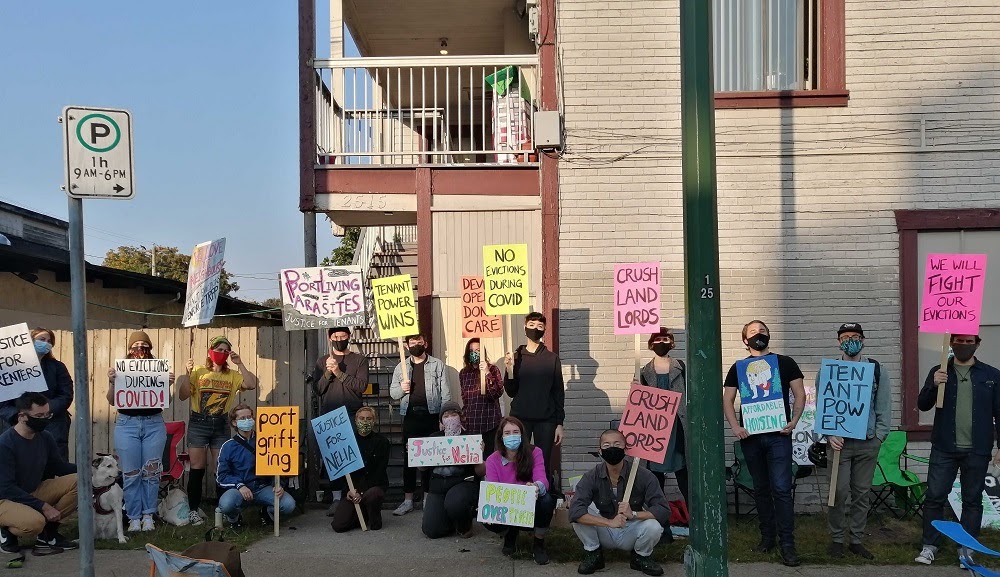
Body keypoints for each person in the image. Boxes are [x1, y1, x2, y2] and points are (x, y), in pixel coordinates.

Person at [723, 320, 805, 567]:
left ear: (769, 336)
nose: (758, 335)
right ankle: (767, 537)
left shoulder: (785, 362)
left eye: (762, 331)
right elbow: (727, 399)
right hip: (751, 437)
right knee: (760, 488)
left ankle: (787, 544)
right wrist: (735, 427)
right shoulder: (738, 368)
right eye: (752, 332)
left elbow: (799, 394)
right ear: (744, 340)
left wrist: (794, 421)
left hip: (779, 436)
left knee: (781, 488)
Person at [915, 334, 1000, 566]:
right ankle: (929, 545)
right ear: (951, 343)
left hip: (978, 448)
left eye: (968, 341)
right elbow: (922, 404)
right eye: (959, 341)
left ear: (978, 343)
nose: (964, 345)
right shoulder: (940, 370)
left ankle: (967, 549)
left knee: (972, 500)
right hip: (944, 446)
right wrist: (933, 384)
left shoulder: (991, 375)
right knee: (934, 497)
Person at [822, 323, 891, 560]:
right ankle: (837, 539)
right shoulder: (829, 371)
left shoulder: (876, 370)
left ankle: (857, 540)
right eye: (845, 337)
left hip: (867, 443)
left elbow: (883, 407)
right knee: (838, 492)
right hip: (839, 443)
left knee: (861, 493)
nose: (850, 340)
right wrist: (829, 434)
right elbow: (822, 408)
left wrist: (880, 437)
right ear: (838, 341)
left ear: (863, 339)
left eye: (855, 336)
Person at [177, 336, 258, 525]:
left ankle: (223, 509)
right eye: (218, 349)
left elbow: (251, 384)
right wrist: (187, 374)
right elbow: (182, 395)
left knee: (221, 468)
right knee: (197, 468)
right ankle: (193, 510)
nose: (221, 353)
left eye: (225, 350)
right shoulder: (199, 371)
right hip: (199, 422)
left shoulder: (232, 376)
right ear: (210, 351)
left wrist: (240, 363)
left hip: (221, 424)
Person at [569, 429, 668, 577]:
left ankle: (641, 557)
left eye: (617, 444)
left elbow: (663, 510)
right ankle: (594, 554)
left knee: (654, 526)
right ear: (600, 450)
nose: (612, 448)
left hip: (631, 529)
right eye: (607, 445)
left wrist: (634, 514)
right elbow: (575, 511)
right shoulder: (591, 476)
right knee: (580, 518)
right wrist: (609, 523)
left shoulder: (644, 476)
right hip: (605, 528)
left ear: (625, 448)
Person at [106, 331, 174, 533]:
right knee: (131, 473)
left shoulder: (158, 370)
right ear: (129, 349)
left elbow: (165, 401)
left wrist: (166, 384)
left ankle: (148, 515)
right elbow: (111, 400)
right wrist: (112, 382)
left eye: (145, 345)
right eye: (136, 345)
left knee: (151, 472)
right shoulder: (121, 371)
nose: (140, 349)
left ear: (150, 348)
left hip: (154, 423)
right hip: (127, 424)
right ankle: (134, 517)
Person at [0, 392, 78, 555]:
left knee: (82, 481)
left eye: (47, 414)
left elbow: (58, 467)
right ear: (22, 416)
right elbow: (6, 488)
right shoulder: (5, 444)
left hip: (32, 490)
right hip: (5, 498)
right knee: (35, 523)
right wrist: (43, 506)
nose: (45, 419)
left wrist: (89, 469)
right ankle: (5, 528)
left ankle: (47, 533)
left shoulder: (45, 437)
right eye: (39, 415)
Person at [390, 333, 451, 516]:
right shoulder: (401, 366)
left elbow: (446, 392)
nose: (416, 344)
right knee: (409, 459)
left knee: (430, 459)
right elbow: (393, 393)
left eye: (419, 341)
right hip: (410, 417)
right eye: (412, 342)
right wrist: (402, 388)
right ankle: (408, 500)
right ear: (407, 345)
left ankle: (427, 498)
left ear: (425, 342)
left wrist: (444, 418)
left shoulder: (437, 364)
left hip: (431, 417)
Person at [311, 327, 369, 513]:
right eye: (336, 336)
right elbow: (317, 390)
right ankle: (336, 497)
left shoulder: (359, 360)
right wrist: (328, 372)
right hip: (330, 415)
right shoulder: (322, 361)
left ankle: (354, 493)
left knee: (353, 456)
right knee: (333, 458)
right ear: (330, 338)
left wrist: (339, 373)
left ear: (349, 337)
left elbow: (361, 386)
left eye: (343, 336)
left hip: (352, 413)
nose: (339, 339)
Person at [504, 312, 565, 486]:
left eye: (539, 326)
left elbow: (558, 392)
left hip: (546, 420)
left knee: (542, 462)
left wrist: (559, 423)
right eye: (531, 325)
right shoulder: (516, 357)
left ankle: (542, 498)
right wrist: (509, 370)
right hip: (520, 417)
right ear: (525, 326)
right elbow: (510, 391)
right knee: (516, 459)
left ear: (544, 329)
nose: (535, 329)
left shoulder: (552, 359)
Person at [483, 416, 554, 564]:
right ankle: (509, 534)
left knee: (546, 499)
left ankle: (538, 543)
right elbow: (493, 489)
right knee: (482, 514)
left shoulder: (535, 452)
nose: (512, 436)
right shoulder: (492, 460)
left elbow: (542, 479)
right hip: (507, 507)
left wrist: (536, 486)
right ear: (501, 437)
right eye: (507, 433)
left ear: (522, 434)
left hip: (531, 504)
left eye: (516, 432)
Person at [216, 404, 296, 527]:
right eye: (242, 418)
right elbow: (222, 476)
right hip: (238, 489)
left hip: (262, 487)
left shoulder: (267, 440)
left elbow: (277, 464)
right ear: (234, 423)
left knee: (288, 504)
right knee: (227, 504)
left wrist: (278, 484)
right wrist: (239, 485)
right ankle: (234, 518)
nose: (247, 420)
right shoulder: (228, 446)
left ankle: (267, 512)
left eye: (249, 417)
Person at [0, 328, 73, 461]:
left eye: (49, 341)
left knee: (53, 466)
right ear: (29, 341)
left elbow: (66, 395)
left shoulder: (57, 367)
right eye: (42, 339)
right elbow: (3, 404)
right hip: (18, 426)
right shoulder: (10, 368)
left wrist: (43, 412)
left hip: (53, 425)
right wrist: (22, 417)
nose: (46, 343)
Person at [635, 328, 689, 504]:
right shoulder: (643, 372)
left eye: (666, 339)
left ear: (672, 343)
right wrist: (635, 390)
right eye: (658, 339)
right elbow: (638, 406)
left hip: (678, 425)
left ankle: (694, 517)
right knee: (655, 473)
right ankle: (660, 515)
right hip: (655, 428)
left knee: (684, 471)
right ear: (651, 344)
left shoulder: (680, 367)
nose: (662, 342)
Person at [421, 402, 480, 539]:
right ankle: (450, 520)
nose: (450, 418)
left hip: (462, 483)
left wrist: (479, 454)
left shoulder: (471, 438)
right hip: (438, 486)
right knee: (431, 530)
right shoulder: (433, 438)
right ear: (441, 421)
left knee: (455, 502)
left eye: (454, 414)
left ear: (461, 417)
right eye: (446, 416)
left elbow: (481, 471)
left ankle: (464, 525)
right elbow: (422, 468)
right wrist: (416, 454)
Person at [330, 406, 390, 532]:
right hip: (352, 489)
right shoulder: (347, 442)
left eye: (369, 418)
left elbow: (380, 471)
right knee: (338, 525)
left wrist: (361, 493)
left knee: (374, 495)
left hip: (372, 487)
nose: (365, 421)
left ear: (374, 421)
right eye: (362, 418)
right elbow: (342, 470)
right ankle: (361, 514)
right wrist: (348, 491)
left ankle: (373, 516)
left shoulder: (382, 442)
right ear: (356, 420)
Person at [459, 338, 504, 456]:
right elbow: (465, 398)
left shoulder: (493, 369)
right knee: (473, 458)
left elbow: (496, 393)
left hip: (490, 423)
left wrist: (487, 373)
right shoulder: (464, 373)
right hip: (472, 423)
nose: (474, 353)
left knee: (489, 458)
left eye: (478, 350)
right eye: (471, 350)